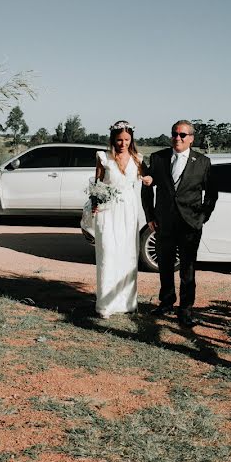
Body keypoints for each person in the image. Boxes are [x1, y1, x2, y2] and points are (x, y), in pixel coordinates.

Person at [141, 120, 218, 327]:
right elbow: (147, 188)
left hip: (190, 225)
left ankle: (185, 310)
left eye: (183, 135)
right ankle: (166, 303)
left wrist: (202, 218)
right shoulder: (158, 158)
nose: (178, 138)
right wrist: (150, 216)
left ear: (191, 138)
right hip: (164, 222)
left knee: (187, 270)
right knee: (165, 266)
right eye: (175, 134)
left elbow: (211, 194)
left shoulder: (202, 162)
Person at [92, 121, 151, 318]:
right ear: (113, 139)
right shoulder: (104, 158)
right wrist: (94, 204)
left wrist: (149, 179)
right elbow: (96, 184)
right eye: (119, 140)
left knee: (127, 254)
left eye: (126, 139)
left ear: (131, 139)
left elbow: (148, 177)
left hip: (128, 210)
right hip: (107, 211)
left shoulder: (137, 158)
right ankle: (105, 305)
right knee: (108, 253)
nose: (123, 143)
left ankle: (127, 302)